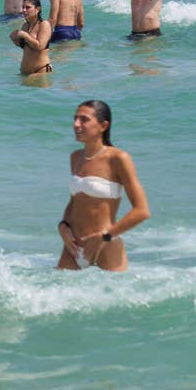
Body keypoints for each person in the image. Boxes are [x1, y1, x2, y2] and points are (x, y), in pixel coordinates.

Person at [57, 100, 151, 272]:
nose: (76, 124)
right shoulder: (76, 157)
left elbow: (142, 211)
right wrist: (63, 226)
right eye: (75, 118)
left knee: (119, 298)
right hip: (74, 247)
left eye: (84, 119)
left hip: (105, 245)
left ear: (103, 126)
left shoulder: (118, 158)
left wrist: (105, 236)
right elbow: (74, 202)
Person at [10, 0, 52, 75]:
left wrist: (25, 35)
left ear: (37, 9)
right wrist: (15, 38)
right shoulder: (25, 26)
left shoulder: (44, 25)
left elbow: (40, 46)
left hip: (40, 71)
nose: (24, 10)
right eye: (23, 7)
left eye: (28, 7)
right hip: (25, 72)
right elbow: (25, 47)